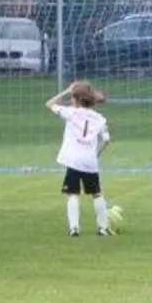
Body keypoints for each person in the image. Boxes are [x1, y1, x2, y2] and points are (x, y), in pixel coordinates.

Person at [46, 80, 113, 236]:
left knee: (73, 194)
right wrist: (95, 154)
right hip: (90, 162)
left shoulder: (71, 113)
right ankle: (103, 228)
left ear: (76, 99)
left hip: (74, 161)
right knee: (96, 193)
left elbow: (49, 103)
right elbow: (107, 140)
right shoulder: (100, 118)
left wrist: (66, 91)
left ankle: (74, 228)